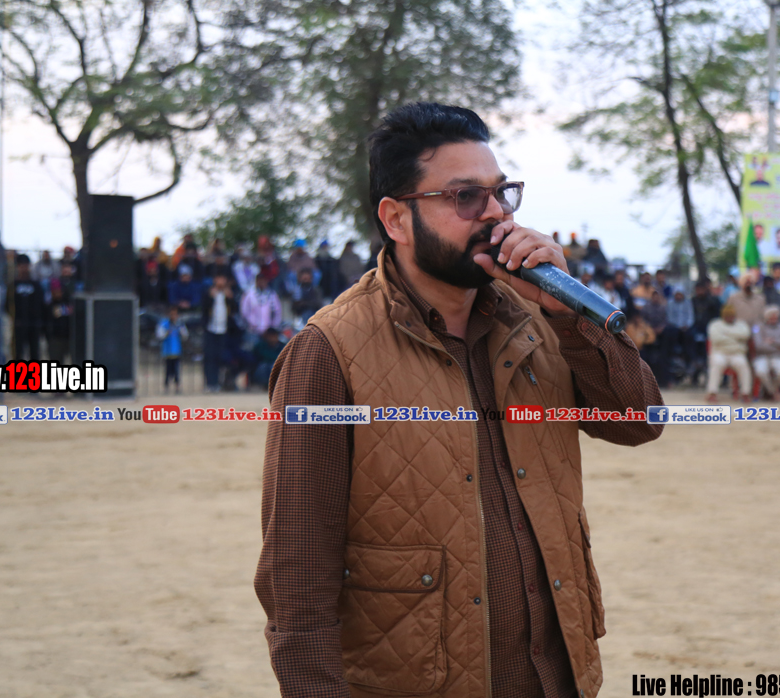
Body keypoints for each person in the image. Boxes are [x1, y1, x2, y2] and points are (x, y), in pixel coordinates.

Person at [255, 102, 664, 698]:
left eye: (502, 193)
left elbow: (640, 421)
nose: (495, 213)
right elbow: (297, 573)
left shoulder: (542, 318)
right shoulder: (328, 351)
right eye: (466, 197)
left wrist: (570, 318)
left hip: (556, 679)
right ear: (396, 219)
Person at [706, 304, 751, 402]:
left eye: (731, 316)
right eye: (727, 316)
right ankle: (712, 393)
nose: (730, 318)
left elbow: (745, 335)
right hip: (720, 353)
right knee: (717, 364)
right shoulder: (715, 324)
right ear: (723, 316)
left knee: (743, 366)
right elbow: (716, 339)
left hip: (737, 353)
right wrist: (736, 338)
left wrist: (726, 333)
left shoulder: (742, 324)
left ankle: (745, 393)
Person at [202, 274, 238, 392]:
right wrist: (210, 297)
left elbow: (234, 310)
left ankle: (217, 382)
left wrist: (230, 298)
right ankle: (209, 383)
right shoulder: (209, 293)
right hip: (211, 329)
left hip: (223, 330)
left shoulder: (228, 294)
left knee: (219, 357)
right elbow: (203, 309)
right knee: (209, 357)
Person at [9, 254, 46, 361]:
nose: (23, 268)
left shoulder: (36, 285)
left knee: (34, 353)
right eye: (21, 265)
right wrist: (14, 318)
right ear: (17, 267)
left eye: (25, 265)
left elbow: (41, 304)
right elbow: (8, 304)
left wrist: (39, 320)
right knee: (17, 353)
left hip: (34, 324)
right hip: (18, 325)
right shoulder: (13, 285)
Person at [753, 306, 780, 399]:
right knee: (760, 371)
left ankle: (770, 391)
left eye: (776, 317)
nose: (774, 319)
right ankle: (773, 391)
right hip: (762, 356)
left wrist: (774, 342)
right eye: (771, 317)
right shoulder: (758, 327)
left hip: (779, 356)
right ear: (766, 317)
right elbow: (758, 346)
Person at [156, 305, 189, 393]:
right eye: (172, 314)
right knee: (168, 370)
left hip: (176, 351)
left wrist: (181, 330)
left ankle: (177, 386)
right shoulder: (164, 324)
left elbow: (185, 335)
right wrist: (166, 332)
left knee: (176, 370)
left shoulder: (179, 324)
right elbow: (159, 335)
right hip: (167, 351)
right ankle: (166, 386)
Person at [46, 280, 73, 363]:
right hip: (55, 338)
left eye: (58, 291)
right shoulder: (49, 305)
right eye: (54, 291)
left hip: (69, 337)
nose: (57, 293)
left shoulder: (69, 303)